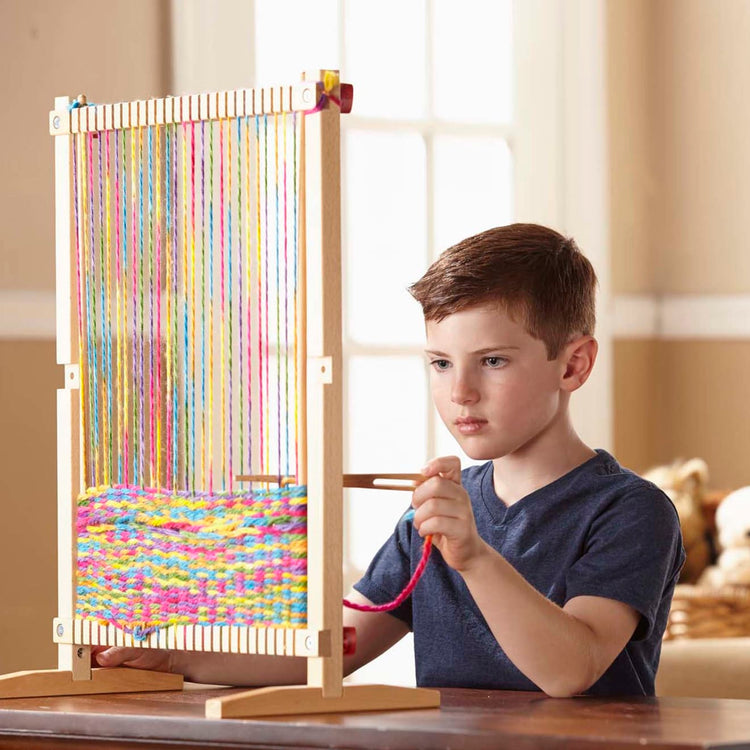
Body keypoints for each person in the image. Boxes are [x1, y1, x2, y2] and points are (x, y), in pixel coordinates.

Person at [95, 223, 684, 697]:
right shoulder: (428, 522)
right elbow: (333, 650)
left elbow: (570, 670)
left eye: (494, 361)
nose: (461, 393)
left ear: (573, 365)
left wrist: (474, 558)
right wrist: (176, 655)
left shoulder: (631, 511)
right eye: (441, 363)